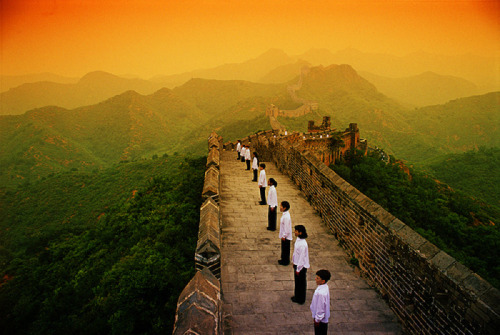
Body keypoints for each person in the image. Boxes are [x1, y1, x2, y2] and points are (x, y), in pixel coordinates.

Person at [291, 225, 309, 304]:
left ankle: (300, 299)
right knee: (297, 282)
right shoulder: (298, 240)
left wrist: (298, 269)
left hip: (301, 266)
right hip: (297, 263)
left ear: (300, 233)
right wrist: (294, 261)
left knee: (300, 283)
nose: (295, 232)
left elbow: (302, 258)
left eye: (296, 231)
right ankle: (297, 296)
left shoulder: (302, 244)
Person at [310, 269, 331, 335]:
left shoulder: (321, 293)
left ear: (323, 281)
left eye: (318, 278)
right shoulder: (325, 287)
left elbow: (320, 308)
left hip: (320, 320)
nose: (315, 279)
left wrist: (317, 319)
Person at [278, 201, 292, 265]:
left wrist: (284, 236)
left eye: (281, 206)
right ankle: (283, 259)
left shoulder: (286, 217)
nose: (280, 207)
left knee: (285, 248)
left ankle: (285, 261)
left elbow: (286, 228)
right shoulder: (285, 214)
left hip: (286, 236)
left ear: (284, 208)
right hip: (285, 235)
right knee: (284, 248)